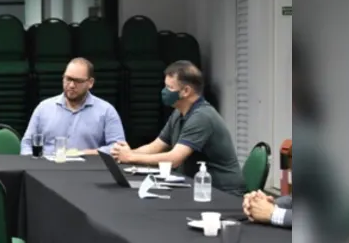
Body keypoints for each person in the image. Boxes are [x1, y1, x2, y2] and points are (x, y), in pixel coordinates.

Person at [111, 60, 244, 194]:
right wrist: (127, 154)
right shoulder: (179, 113)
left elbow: (174, 159)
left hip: (222, 192)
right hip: (198, 188)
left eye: (169, 88)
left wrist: (130, 158)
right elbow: (156, 146)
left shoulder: (202, 116)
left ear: (186, 91)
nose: (164, 92)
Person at [20, 58, 124, 156]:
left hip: (88, 170)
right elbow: (27, 143)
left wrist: (89, 153)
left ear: (90, 83)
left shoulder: (106, 111)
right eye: (68, 79)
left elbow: (119, 148)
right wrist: (33, 164)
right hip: (48, 169)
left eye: (78, 81)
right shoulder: (43, 108)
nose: (71, 85)